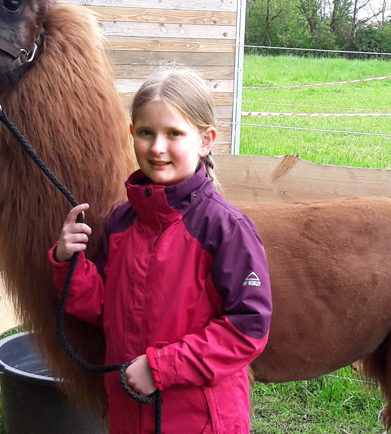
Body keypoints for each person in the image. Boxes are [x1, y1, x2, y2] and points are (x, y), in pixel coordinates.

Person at [49, 67, 272, 433]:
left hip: (198, 421)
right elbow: (106, 307)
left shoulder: (225, 229)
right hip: (130, 414)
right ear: (132, 134)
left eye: (174, 134)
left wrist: (160, 368)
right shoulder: (123, 220)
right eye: (147, 133)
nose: (157, 148)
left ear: (205, 140)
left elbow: (248, 329)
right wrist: (68, 263)